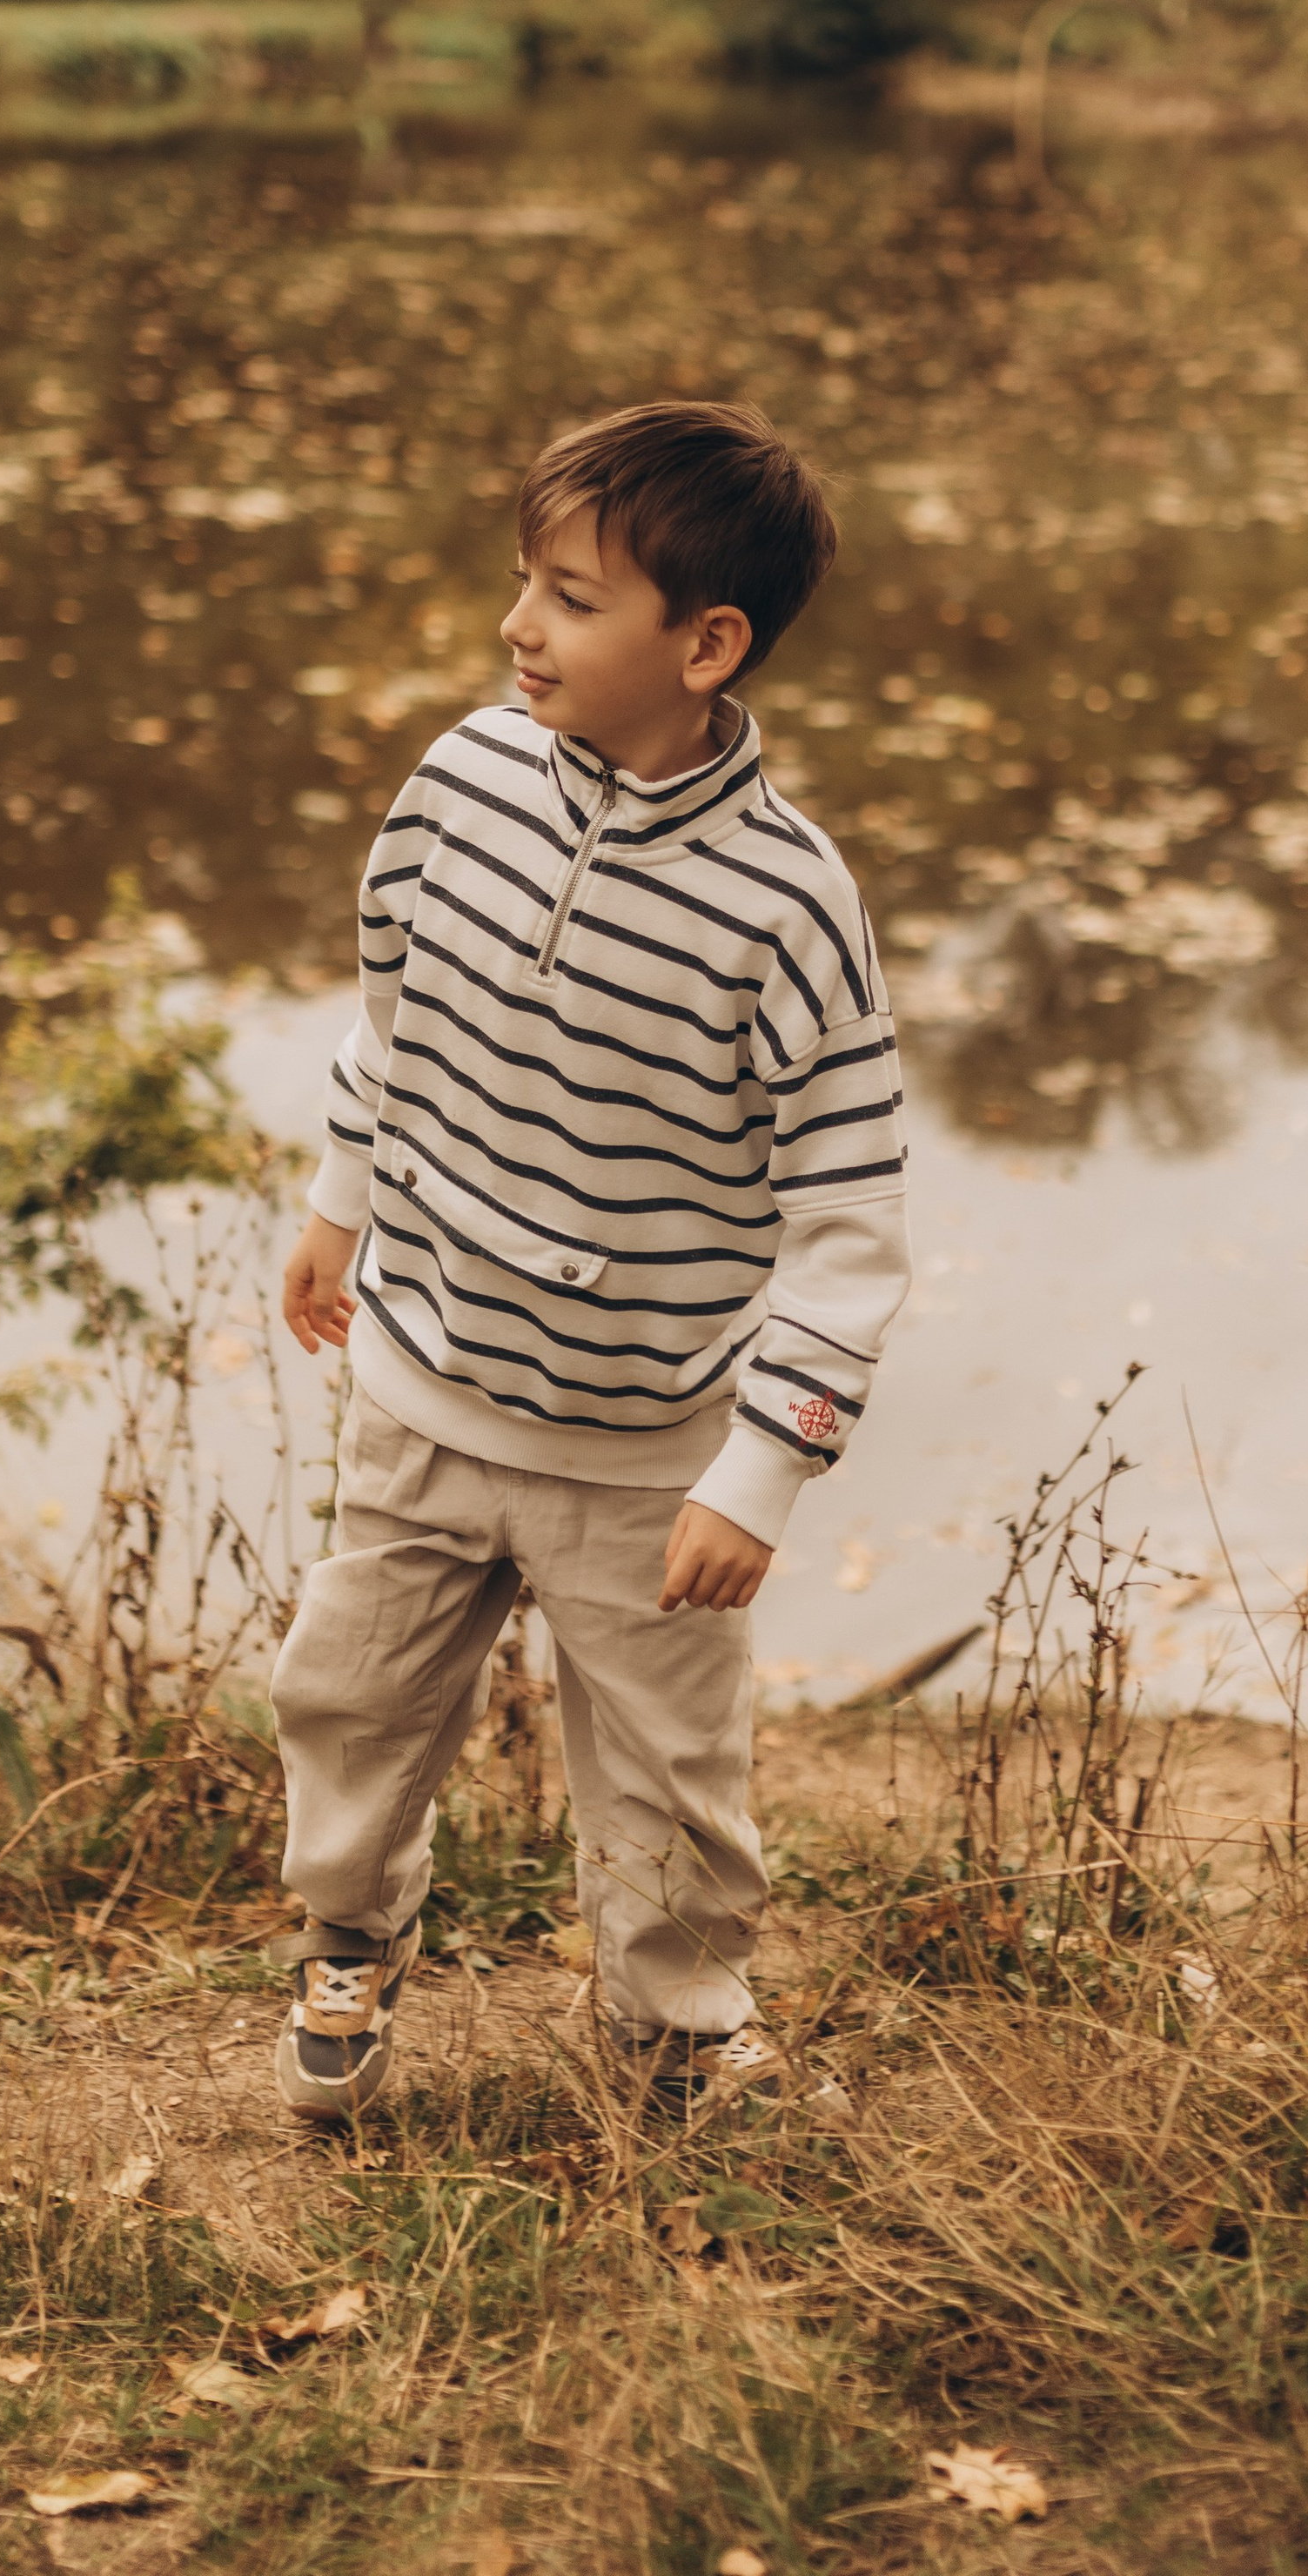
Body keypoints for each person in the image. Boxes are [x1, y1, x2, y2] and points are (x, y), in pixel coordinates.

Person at [269, 398, 911, 2115]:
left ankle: (675, 2024)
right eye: (522, 585)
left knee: (665, 1765)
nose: (517, 626)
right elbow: (392, 1011)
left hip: (643, 1454)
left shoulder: (785, 909)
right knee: (348, 1693)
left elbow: (849, 1223)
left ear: (703, 644)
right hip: (420, 1380)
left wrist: (759, 1471)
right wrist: (342, 1199)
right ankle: (354, 1928)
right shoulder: (461, 780)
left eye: (567, 597)